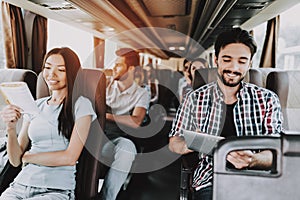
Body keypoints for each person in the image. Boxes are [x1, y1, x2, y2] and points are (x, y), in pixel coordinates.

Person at [169, 27, 283, 200]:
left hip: (258, 177)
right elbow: (174, 141)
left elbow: (276, 151)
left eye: (242, 61)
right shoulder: (195, 98)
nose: (234, 68)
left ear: (250, 63)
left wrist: (253, 160)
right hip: (211, 177)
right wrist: (194, 142)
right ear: (216, 60)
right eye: (227, 59)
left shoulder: (267, 100)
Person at [0, 47, 97, 199]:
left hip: (55, 190)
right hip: (20, 186)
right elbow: (15, 160)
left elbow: (70, 157)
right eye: (47, 67)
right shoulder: (35, 105)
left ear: (71, 74)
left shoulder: (81, 105)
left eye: (61, 70)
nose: (51, 74)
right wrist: (11, 128)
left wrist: (29, 157)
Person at [100, 48, 150, 200]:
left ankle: (106, 198)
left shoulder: (141, 93)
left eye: (118, 65)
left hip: (113, 141)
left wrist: (106, 115)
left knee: (127, 149)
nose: (113, 68)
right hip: (94, 136)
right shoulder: (104, 86)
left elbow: (136, 121)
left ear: (131, 69)